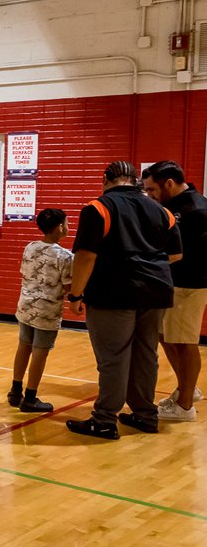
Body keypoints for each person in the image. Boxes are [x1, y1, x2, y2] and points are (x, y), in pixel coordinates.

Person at [66, 160, 182, 440]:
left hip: (113, 292)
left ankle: (104, 420)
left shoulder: (98, 208)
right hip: (156, 291)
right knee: (145, 355)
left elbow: (85, 256)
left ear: (105, 179)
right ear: (136, 182)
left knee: (113, 357)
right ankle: (145, 415)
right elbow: (176, 255)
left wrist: (76, 294)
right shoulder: (162, 210)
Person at [142, 160, 207, 421]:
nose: (149, 195)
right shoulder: (170, 206)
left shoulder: (197, 210)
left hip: (189, 286)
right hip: (171, 285)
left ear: (169, 183)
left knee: (184, 342)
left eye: (152, 190)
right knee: (165, 336)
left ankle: (184, 407)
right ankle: (187, 388)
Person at [9, 208, 73, 414]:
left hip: (25, 305)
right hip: (46, 310)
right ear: (60, 227)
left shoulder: (30, 247)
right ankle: (30, 397)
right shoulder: (64, 256)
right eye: (67, 223)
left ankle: (15, 391)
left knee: (24, 346)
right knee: (40, 352)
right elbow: (68, 285)